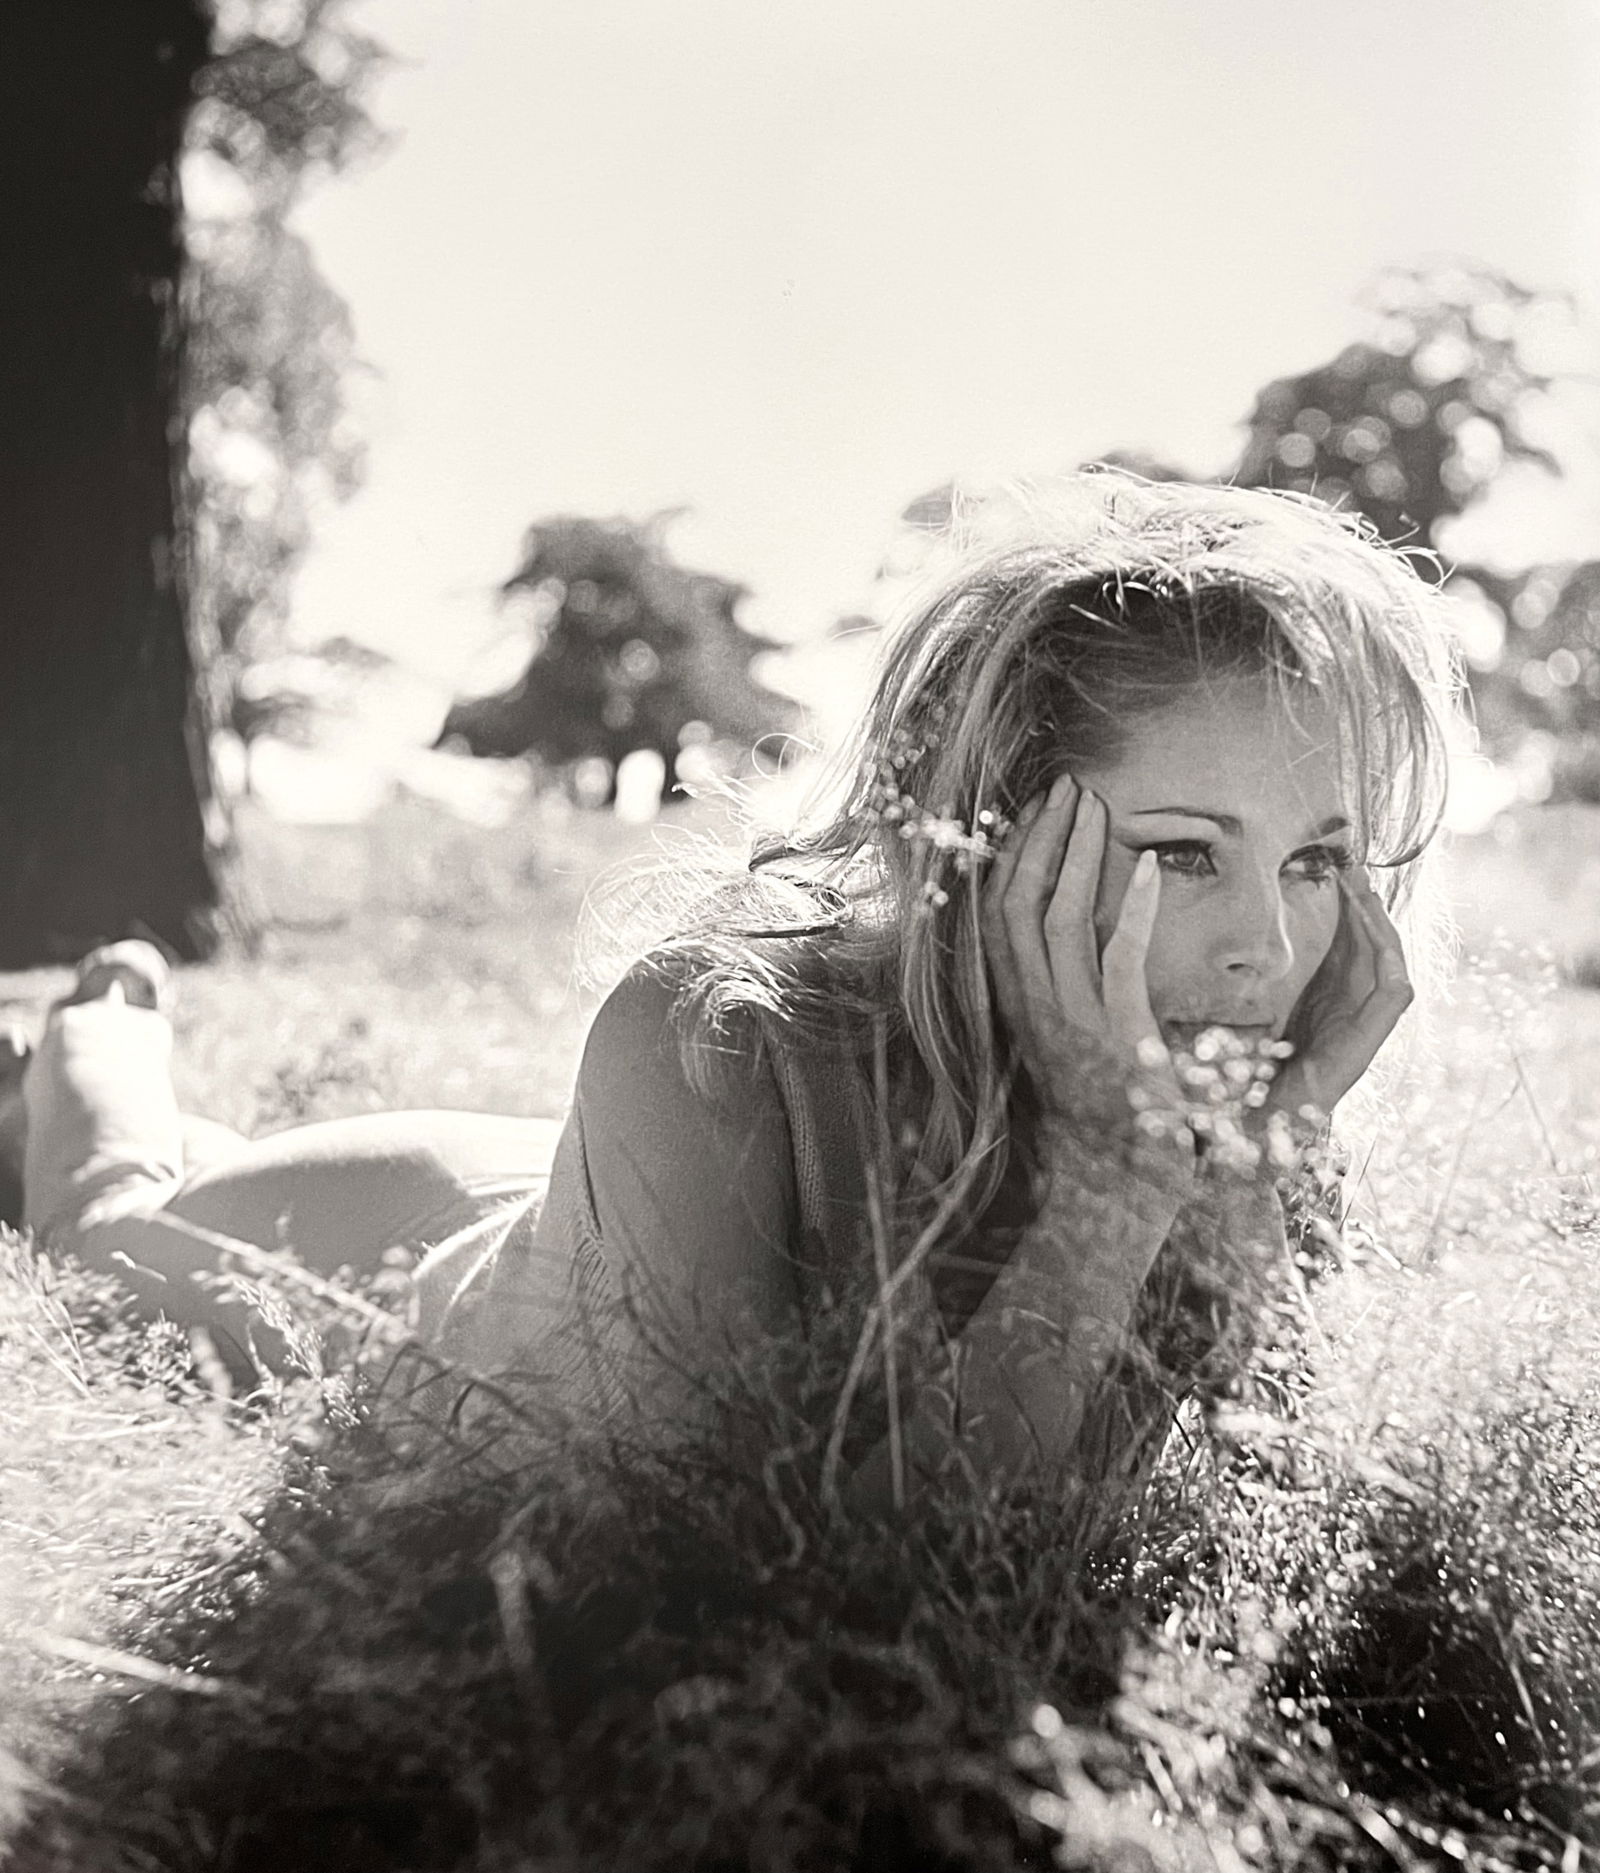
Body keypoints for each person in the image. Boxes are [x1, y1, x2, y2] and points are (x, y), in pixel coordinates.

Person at [0, 472, 1461, 1517]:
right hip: (407, 1262)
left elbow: (1240, 1503)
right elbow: (822, 1584)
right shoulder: (708, 1041)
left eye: (1318, 858)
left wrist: (1245, 1184)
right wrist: (1112, 1183)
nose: (1269, 946)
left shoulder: (1252, 1097)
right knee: (110, 1222)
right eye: (1186, 853)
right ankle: (97, 1026)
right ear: (998, 843)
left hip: (587, 1192)